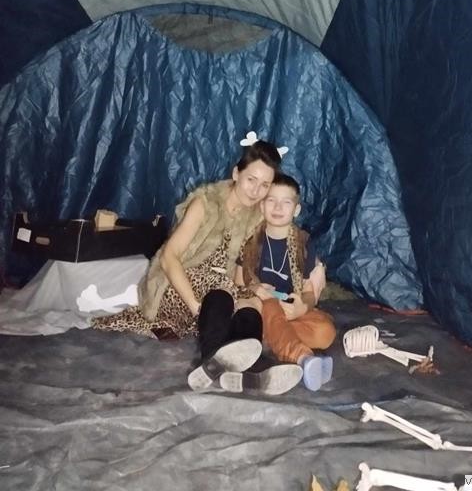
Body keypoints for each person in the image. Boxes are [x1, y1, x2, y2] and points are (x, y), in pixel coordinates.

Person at [93, 137, 302, 394]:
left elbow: (279, 241)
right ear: (236, 173)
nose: (255, 190)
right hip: (176, 290)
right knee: (221, 288)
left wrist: (306, 274)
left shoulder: (255, 214)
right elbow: (169, 257)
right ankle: (214, 358)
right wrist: (195, 307)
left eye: (264, 185)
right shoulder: (205, 203)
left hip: (218, 303)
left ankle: (247, 369)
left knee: (252, 301)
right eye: (251, 179)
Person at [227, 173, 336, 393]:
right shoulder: (251, 241)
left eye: (286, 202)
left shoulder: (303, 243)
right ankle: (303, 358)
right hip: (261, 307)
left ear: (296, 209)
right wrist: (256, 289)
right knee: (270, 306)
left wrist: (302, 307)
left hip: (288, 311)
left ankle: (271, 339)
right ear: (261, 206)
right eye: (271, 200)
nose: (277, 207)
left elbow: (308, 291)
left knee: (326, 332)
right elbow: (238, 286)